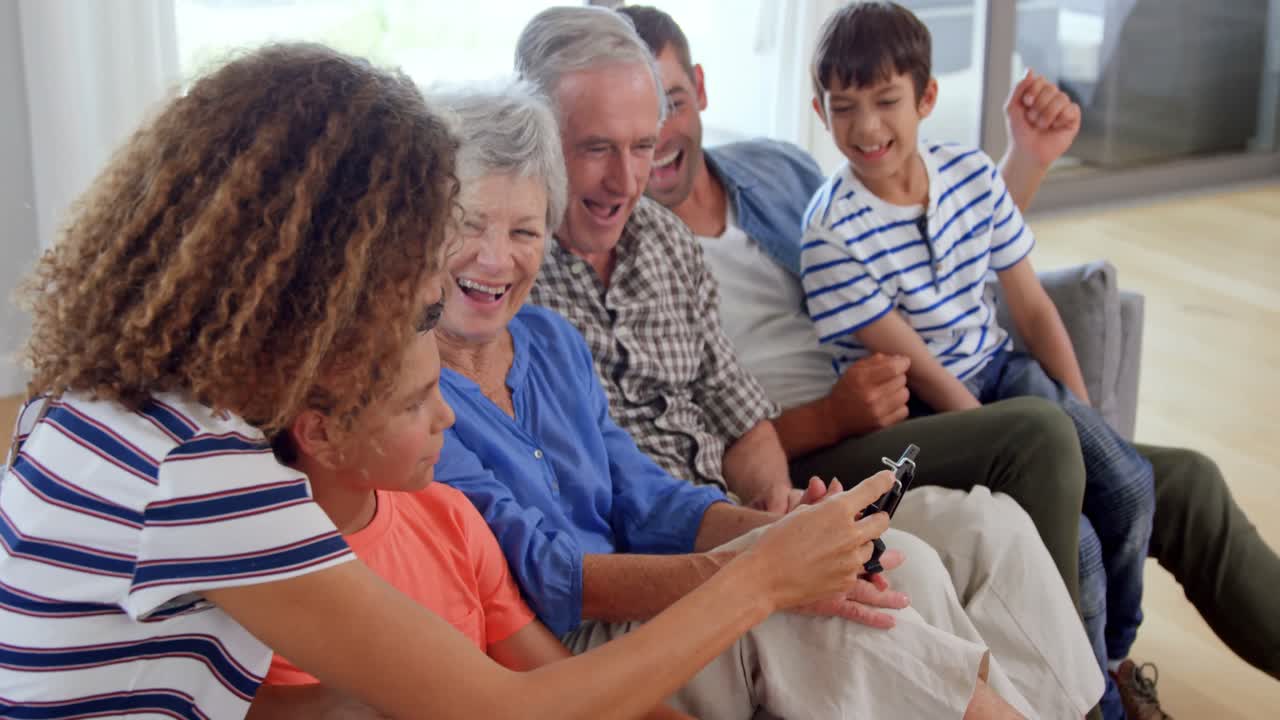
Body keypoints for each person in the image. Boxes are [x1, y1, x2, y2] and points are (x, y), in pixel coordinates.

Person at [0, 43, 908, 720]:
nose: (425, 278)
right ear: (320, 267)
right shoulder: (206, 475)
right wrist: (756, 581)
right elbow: (514, 710)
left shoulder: (98, 406)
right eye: (412, 248)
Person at [620, 3, 1280, 717]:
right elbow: (682, 453)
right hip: (808, 460)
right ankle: (1093, 700)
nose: (653, 137)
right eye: (627, 125)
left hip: (909, 413)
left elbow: (906, 235)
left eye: (671, 103)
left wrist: (1020, 165)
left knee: (1184, 481)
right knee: (1039, 435)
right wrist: (831, 413)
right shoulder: (621, 253)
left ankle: (1101, 671)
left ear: (702, 90)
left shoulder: (772, 171)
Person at [431, 69, 1028, 719]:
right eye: (470, 225)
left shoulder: (549, 340)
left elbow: (646, 496)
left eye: (524, 232)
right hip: (572, 650)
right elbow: (544, 575)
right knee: (829, 619)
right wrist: (768, 569)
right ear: (420, 227)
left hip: (651, 592)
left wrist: (782, 531)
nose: (497, 259)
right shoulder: (410, 404)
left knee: (896, 568)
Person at [798, 5, 1156, 717]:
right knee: (1078, 549)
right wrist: (1024, 444)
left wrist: (1082, 419)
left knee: (1131, 482)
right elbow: (926, 371)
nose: (866, 128)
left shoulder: (967, 171)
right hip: (932, 407)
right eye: (844, 109)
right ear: (820, 110)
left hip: (1005, 375)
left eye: (886, 102)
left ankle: (1113, 659)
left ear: (926, 98)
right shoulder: (830, 231)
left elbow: (1030, 309)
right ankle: (1097, 707)